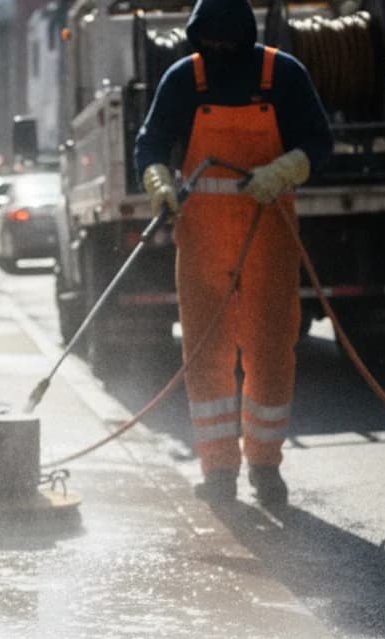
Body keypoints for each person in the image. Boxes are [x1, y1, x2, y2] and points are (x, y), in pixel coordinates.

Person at [134, 0, 332, 507]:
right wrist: (157, 179)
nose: (218, 52)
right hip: (203, 233)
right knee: (205, 351)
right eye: (209, 43)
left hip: (270, 226)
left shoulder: (281, 74)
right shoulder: (185, 78)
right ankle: (219, 469)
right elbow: (151, 140)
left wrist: (281, 171)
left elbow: (319, 143)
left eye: (226, 43)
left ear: (244, 37)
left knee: (270, 348)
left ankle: (266, 466)